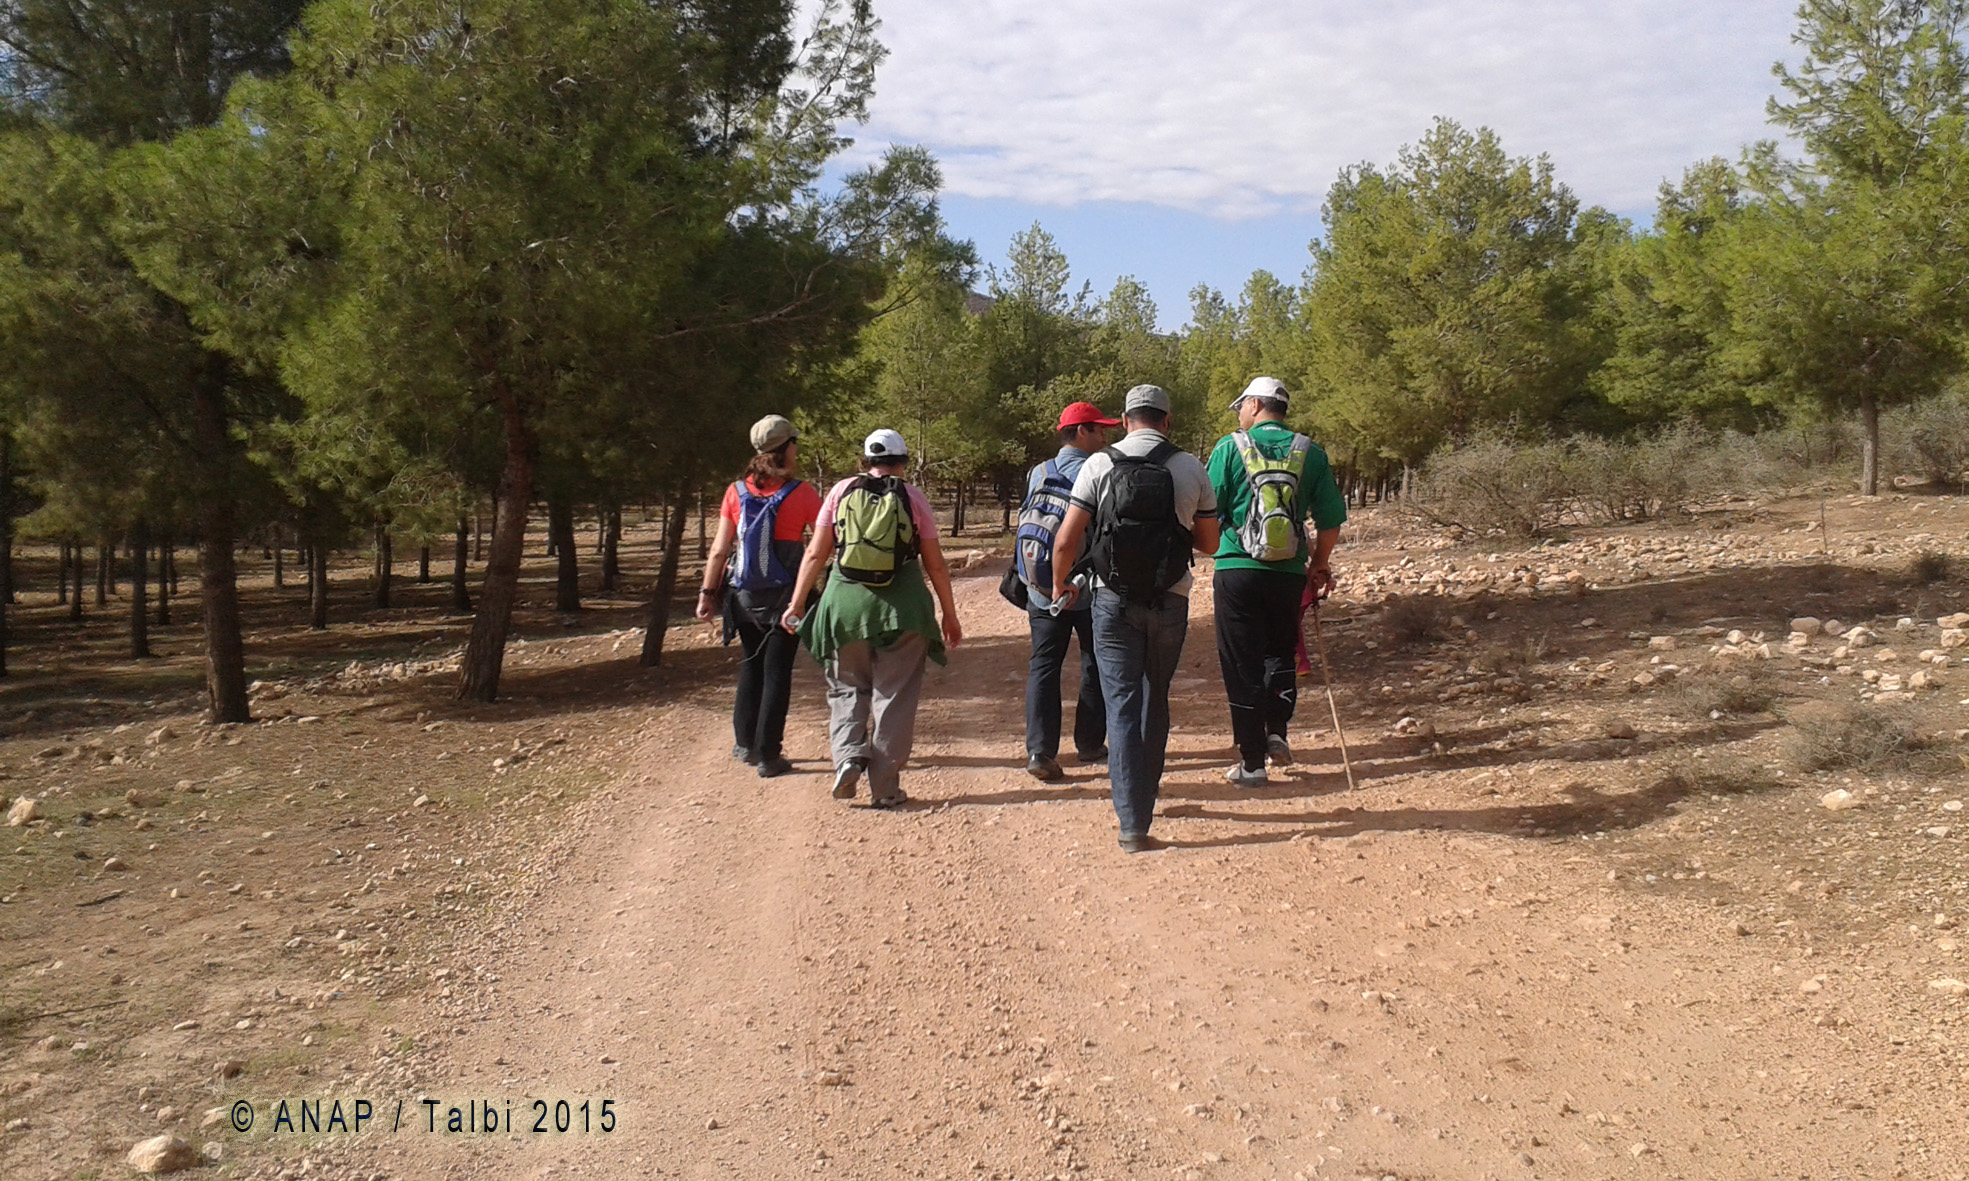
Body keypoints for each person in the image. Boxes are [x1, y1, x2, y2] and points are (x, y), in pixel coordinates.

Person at [1050, 385, 1219, 852]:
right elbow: (1209, 544)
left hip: (1112, 601)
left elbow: (1067, 539)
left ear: (1125, 421)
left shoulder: (1099, 464)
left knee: (1121, 703)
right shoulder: (1190, 467)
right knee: (1155, 696)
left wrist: (1060, 583)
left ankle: (1132, 822)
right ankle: (1147, 792)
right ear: (1168, 421)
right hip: (1170, 599)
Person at [783, 429, 963, 809]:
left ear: (865, 460)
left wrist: (797, 604)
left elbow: (816, 554)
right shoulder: (912, 496)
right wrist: (949, 614)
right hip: (904, 609)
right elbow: (935, 564)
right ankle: (885, 787)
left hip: (844, 605)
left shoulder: (840, 492)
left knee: (847, 687)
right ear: (902, 461)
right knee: (893, 696)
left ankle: (848, 755)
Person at [1206, 376, 1346, 786]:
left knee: (1240, 664)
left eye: (1240, 407)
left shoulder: (1229, 447)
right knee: (1280, 653)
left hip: (1237, 568)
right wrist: (1318, 563)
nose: (1239, 414)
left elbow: (1206, 511)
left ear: (1253, 404)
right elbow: (1331, 519)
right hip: (1288, 573)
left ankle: (1251, 764)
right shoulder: (1311, 452)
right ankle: (1277, 732)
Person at [696, 415, 824, 779]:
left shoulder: (735, 492)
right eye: (795, 442)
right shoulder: (802, 494)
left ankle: (745, 745)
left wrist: (708, 594)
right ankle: (770, 755)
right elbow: (822, 543)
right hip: (786, 598)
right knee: (777, 672)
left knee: (750, 665)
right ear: (786, 448)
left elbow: (720, 550)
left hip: (743, 596)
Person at [1016, 402, 1120, 781]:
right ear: (1081, 432)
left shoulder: (1037, 472)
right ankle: (1090, 744)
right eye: (1098, 429)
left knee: (1044, 665)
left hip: (1042, 586)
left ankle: (1039, 751)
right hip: (1088, 585)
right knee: (1095, 661)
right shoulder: (1099, 470)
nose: (1105, 436)